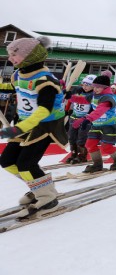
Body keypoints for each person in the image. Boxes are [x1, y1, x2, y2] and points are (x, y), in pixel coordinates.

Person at [0, 36, 68, 219]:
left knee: (26, 164)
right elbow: (14, 89)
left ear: (30, 56)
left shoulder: (46, 80)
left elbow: (44, 110)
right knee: (7, 161)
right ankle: (38, 187)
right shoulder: (18, 74)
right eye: (10, 54)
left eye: (15, 54)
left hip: (45, 126)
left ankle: (48, 197)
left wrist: (19, 128)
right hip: (25, 124)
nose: (10, 58)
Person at [72, 74, 116, 172]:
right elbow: (83, 99)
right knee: (89, 144)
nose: (95, 89)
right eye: (94, 86)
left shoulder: (107, 98)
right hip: (96, 125)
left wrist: (88, 119)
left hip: (109, 126)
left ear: (105, 87)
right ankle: (97, 164)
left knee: (107, 147)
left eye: (98, 87)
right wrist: (70, 97)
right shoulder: (94, 95)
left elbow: (99, 111)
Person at [65, 74, 96, 164]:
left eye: (88, 85)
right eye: (84, 84)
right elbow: (69, 100)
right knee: (71, 137)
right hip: (74, 117)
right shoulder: (77, 91)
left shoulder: (93, 95)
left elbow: (93, 109)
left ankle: (82, 156)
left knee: (81, 138)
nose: (85, 87)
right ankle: (73, 154)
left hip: (85, 119)